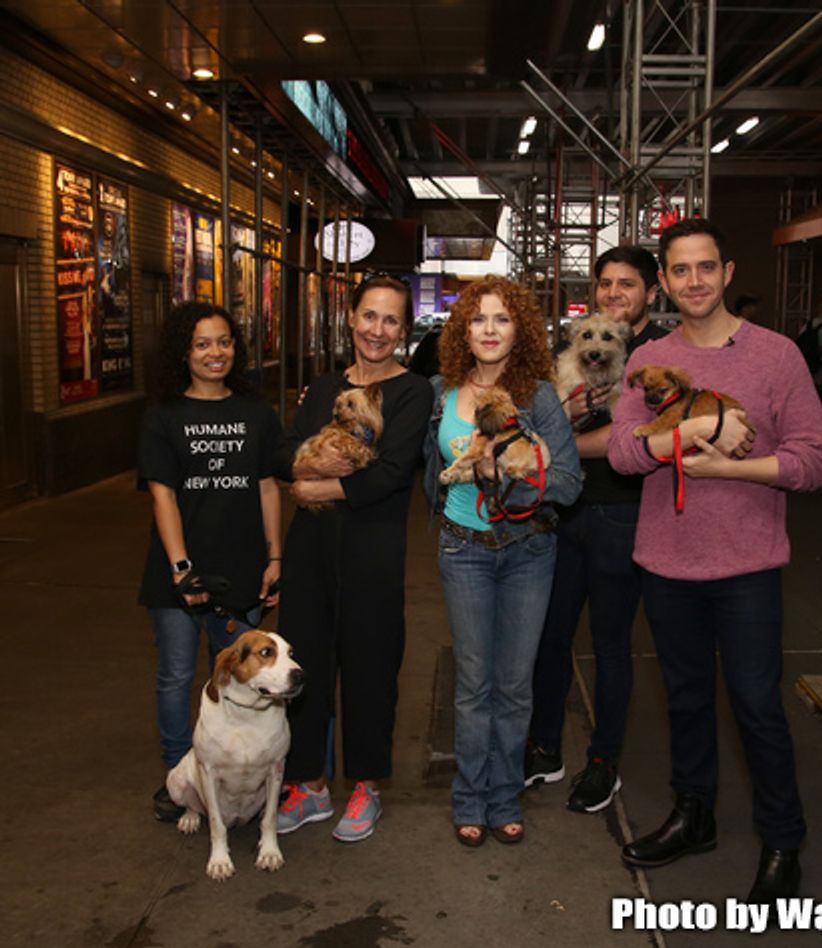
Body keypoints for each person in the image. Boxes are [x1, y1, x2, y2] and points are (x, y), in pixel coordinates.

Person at [608, 218, 822, 905]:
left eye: (706, 267)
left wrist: (735, 470)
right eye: (680, 270)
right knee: (685, 701)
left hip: (747, 566)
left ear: (728, 272)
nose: (694, 281)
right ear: (665, 282)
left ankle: (782, 840)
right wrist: (688, 435)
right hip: (667, 565)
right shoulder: (648, 358)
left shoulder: (776, 357)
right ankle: (694, 814)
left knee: (758, 706)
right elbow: (621, 452)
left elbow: (814, 460)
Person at [423, 275, 581, 847]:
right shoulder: (441, 391)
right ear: (463, 330)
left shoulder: (538, 395)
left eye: (502, 319)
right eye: (478, 319)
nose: (489, 330)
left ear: (520, 329)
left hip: (529, 550)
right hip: (462, 548)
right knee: (473, 685)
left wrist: (506, 477)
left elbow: (567, 483)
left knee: (514, 686)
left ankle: (504, 795)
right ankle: (469, 797)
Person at [274, 273, 433, 843]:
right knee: (304, 665)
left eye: (391, 320)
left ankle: (366, 786)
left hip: (372, 551)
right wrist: (312, 467)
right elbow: (285, 450)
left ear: (404, 330)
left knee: (370, 667)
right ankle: (308, 785)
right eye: (370, 316)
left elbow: (392, 472)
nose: (378, 330)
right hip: (309, 552)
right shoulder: (322, 387)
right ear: (350, 318)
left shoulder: (412, 392)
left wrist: (316, 488)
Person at [526, 245, 669, 813]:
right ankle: (543, 748)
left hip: (623, 514)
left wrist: (570, 443)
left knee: (611, 645)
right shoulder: (572, 358)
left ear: (651, 292)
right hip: (564, 512)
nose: (615, 293)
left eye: (627, 284)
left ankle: (604, 761)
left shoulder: (659, 353)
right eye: (606, 283)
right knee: (551, 638)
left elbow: (636, 441)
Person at [137, 301, 283, 822]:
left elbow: (268, 485)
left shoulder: (256, 412)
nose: (214, 352)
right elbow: (163, 496)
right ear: (184, 352)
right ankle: (182, 772)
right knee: (176, 676)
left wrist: (274, 555)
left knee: (243, 677)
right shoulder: (164, 416)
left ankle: (243, 771)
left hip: (242, 570)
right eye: (202, 344)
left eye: (223, 341)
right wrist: (181, 568)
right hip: (178, 573)